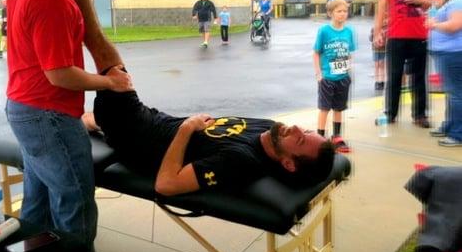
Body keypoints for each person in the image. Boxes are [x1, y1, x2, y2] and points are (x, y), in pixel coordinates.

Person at [5, 0, 133, 252]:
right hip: (49, 117)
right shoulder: (49, 0)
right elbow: (59, 74)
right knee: (74, 204)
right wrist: (110, 84)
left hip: (23, 110)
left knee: (37, 204)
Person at [84, 76, 335, 196]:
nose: (297, 129)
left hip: (138, 142)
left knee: (110, 65)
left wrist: (186, 129)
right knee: (91, 118)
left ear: (289, 163)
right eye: (307, 130)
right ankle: (86, 124)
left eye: (300, 139)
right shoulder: (270, 127)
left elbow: (166, 185)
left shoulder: (242, 162)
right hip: (155, 119)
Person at [373, 0, 442, 128]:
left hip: (419, 34)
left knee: (418, 77)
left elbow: (439, 2)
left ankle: (419, 115)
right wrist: (378, 31)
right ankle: (390, 113)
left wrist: (421, 1)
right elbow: (381, 6)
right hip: (396, 36)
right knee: (394, 76)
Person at [313, 0, 356, 153]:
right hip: (327, 77)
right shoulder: (324, 31)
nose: (342, 14)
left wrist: (349, 71)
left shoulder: (349, 31)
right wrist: (319, 74)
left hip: (343, 77)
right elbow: (316, 52)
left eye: (345, 11)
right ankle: (320, 138)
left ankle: (336, 136)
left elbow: (349, 52)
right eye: (339, 11)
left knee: (339, 108)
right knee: (324, 108)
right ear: (331, 13)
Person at [425, 0, 462, 147]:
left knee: (456, 94)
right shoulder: (453, 1)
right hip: (447, 52)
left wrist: (434, 24)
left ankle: (458, 134)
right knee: (452, 92)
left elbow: (455, 25)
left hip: (453, 53)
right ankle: (450, 126)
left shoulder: (458, 1)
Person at [369, 19, 387, 91]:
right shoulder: (374, 28)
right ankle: (377, 81)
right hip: (376, 49)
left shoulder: (387, 29)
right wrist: (373, 34)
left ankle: (382, 81)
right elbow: (370, 39)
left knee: (382, 65)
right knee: (376, 65)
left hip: (384, 49)